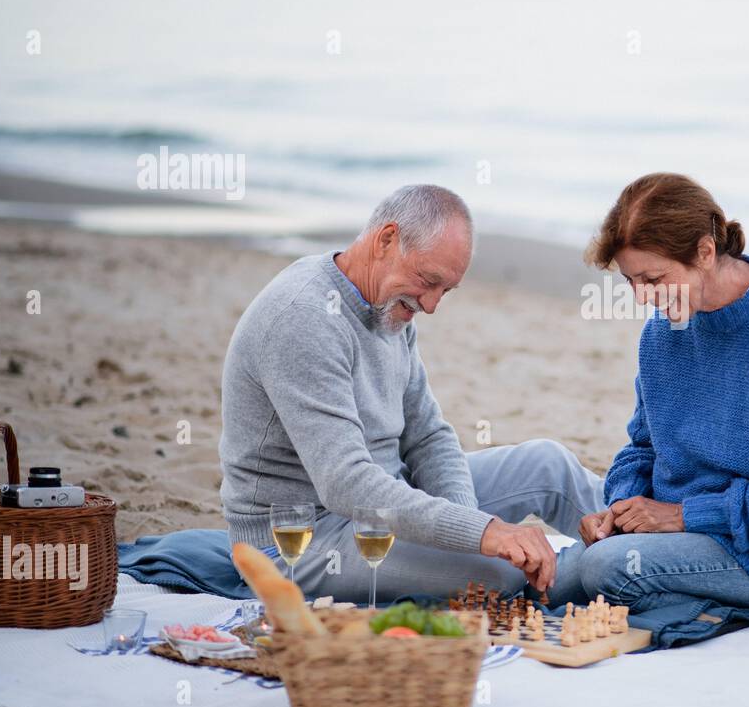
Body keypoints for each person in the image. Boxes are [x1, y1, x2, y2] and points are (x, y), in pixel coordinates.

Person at [219, 184, 605, 603]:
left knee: (547, 465)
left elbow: (428, 436)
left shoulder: (390, 304)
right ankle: (615, 575)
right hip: (303, 537)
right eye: (429, 281)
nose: (432, 305)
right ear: (386, 240)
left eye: (446, 290)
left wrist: (467, 524)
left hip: (388, 500)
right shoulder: (305, 318)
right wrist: (485, 536)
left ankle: (644, 545)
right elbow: (346, 485)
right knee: (499, 573)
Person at [547, 172, 749, 614]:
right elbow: (642, 447)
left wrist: (680, 516)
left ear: (705, 251)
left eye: (653, 279)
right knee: (551, 582)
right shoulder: (661, 331)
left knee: (604, 569)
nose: (642, 298)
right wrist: (621, 508)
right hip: (676, 535)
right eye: (630, 281)